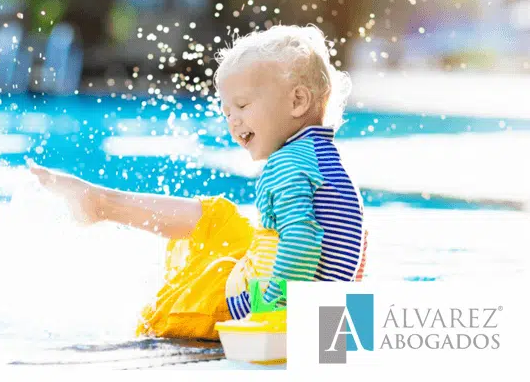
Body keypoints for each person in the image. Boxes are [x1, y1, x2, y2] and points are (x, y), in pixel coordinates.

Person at [28, 24, 368, 341]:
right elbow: (346, 240)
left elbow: (303, 241)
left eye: (242, 105)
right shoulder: (326, 162)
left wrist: (271, 309)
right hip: (296, 292)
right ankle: (102, 203)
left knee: (185, 295)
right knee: (218, 217)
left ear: (297, 101)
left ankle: (105, 212)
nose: (233, 121)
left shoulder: (286, 165)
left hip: (254, 306)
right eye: (227, 112)